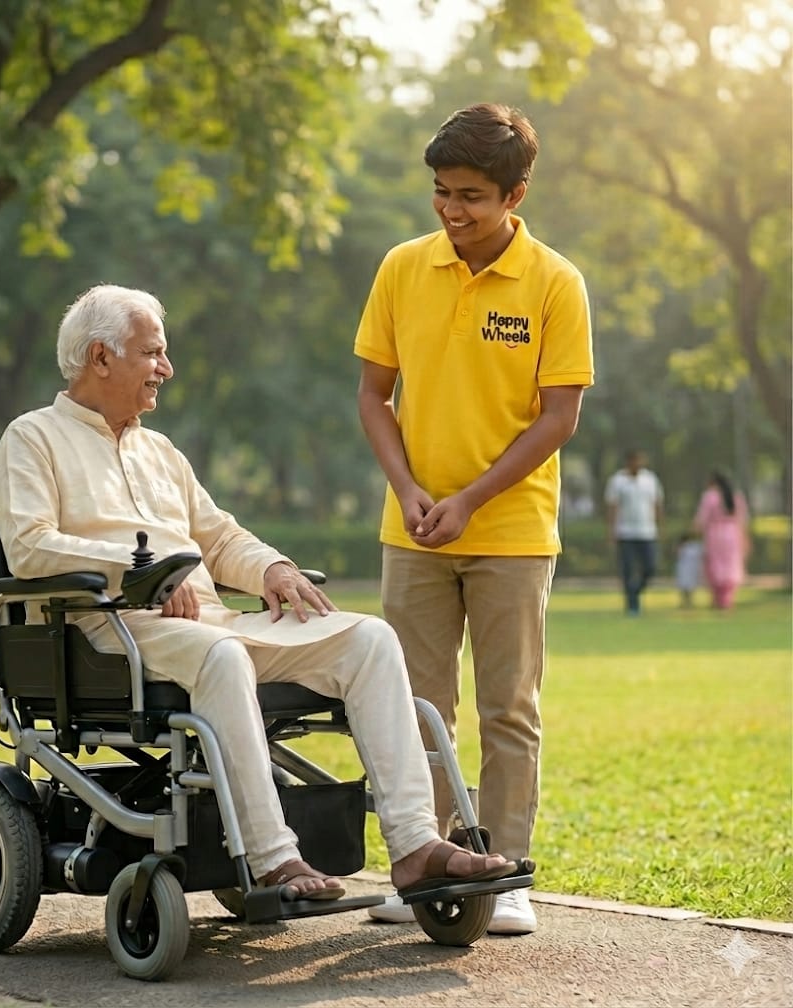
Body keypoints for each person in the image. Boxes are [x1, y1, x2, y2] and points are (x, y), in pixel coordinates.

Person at [0, 282, 529, 905]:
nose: (166, 368)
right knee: (224, 657)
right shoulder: (33, 438)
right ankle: (274, 858)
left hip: (207, 626)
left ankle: (414, 847)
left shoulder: (158, 450)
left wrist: (272, 568)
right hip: (108, 633)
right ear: (101, 358)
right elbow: (30, 546)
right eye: (152, 354)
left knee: (370, 640)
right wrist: (142, 568)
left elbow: (218, 538)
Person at [353, 103, 593, 934]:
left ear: (516, 193)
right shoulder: (400, 268)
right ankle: (420, 865)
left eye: (471, 197)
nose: (452, 211)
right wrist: (410, 490)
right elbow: (373, 396)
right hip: (413, 531)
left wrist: (470, 500)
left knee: (507, 710)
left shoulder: (556, 283)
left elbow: (558, 417)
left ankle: (507, 877)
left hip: (512, 534)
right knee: (415, 708)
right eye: (440, 192)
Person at [605, 450, 664, 615]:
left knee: (650, 567)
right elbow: (612, 507)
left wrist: (660, 527)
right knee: (628, 569)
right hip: (625, 532)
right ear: (628, 462)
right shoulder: (618, 481)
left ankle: (635, 592)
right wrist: (611, 531)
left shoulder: (650, 480)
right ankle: (632, 605)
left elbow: (657, 504)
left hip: (647, 531)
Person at [694, 472, 750, 610]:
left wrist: (695, 531)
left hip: (715, 534)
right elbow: (742, 519)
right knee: (731, 565)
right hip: (733, 534)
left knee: (716, 565)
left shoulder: (710, 497)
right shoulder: (736, 497)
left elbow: (702, 519)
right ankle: (727, 598)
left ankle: (719, 598)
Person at [674, 530, 703, 609]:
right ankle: (685, 602)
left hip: (689, 570)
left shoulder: (694, 547)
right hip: (685, 570)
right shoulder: (686, 547)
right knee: (685, 588)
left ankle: (688, 602)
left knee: (689, 588)